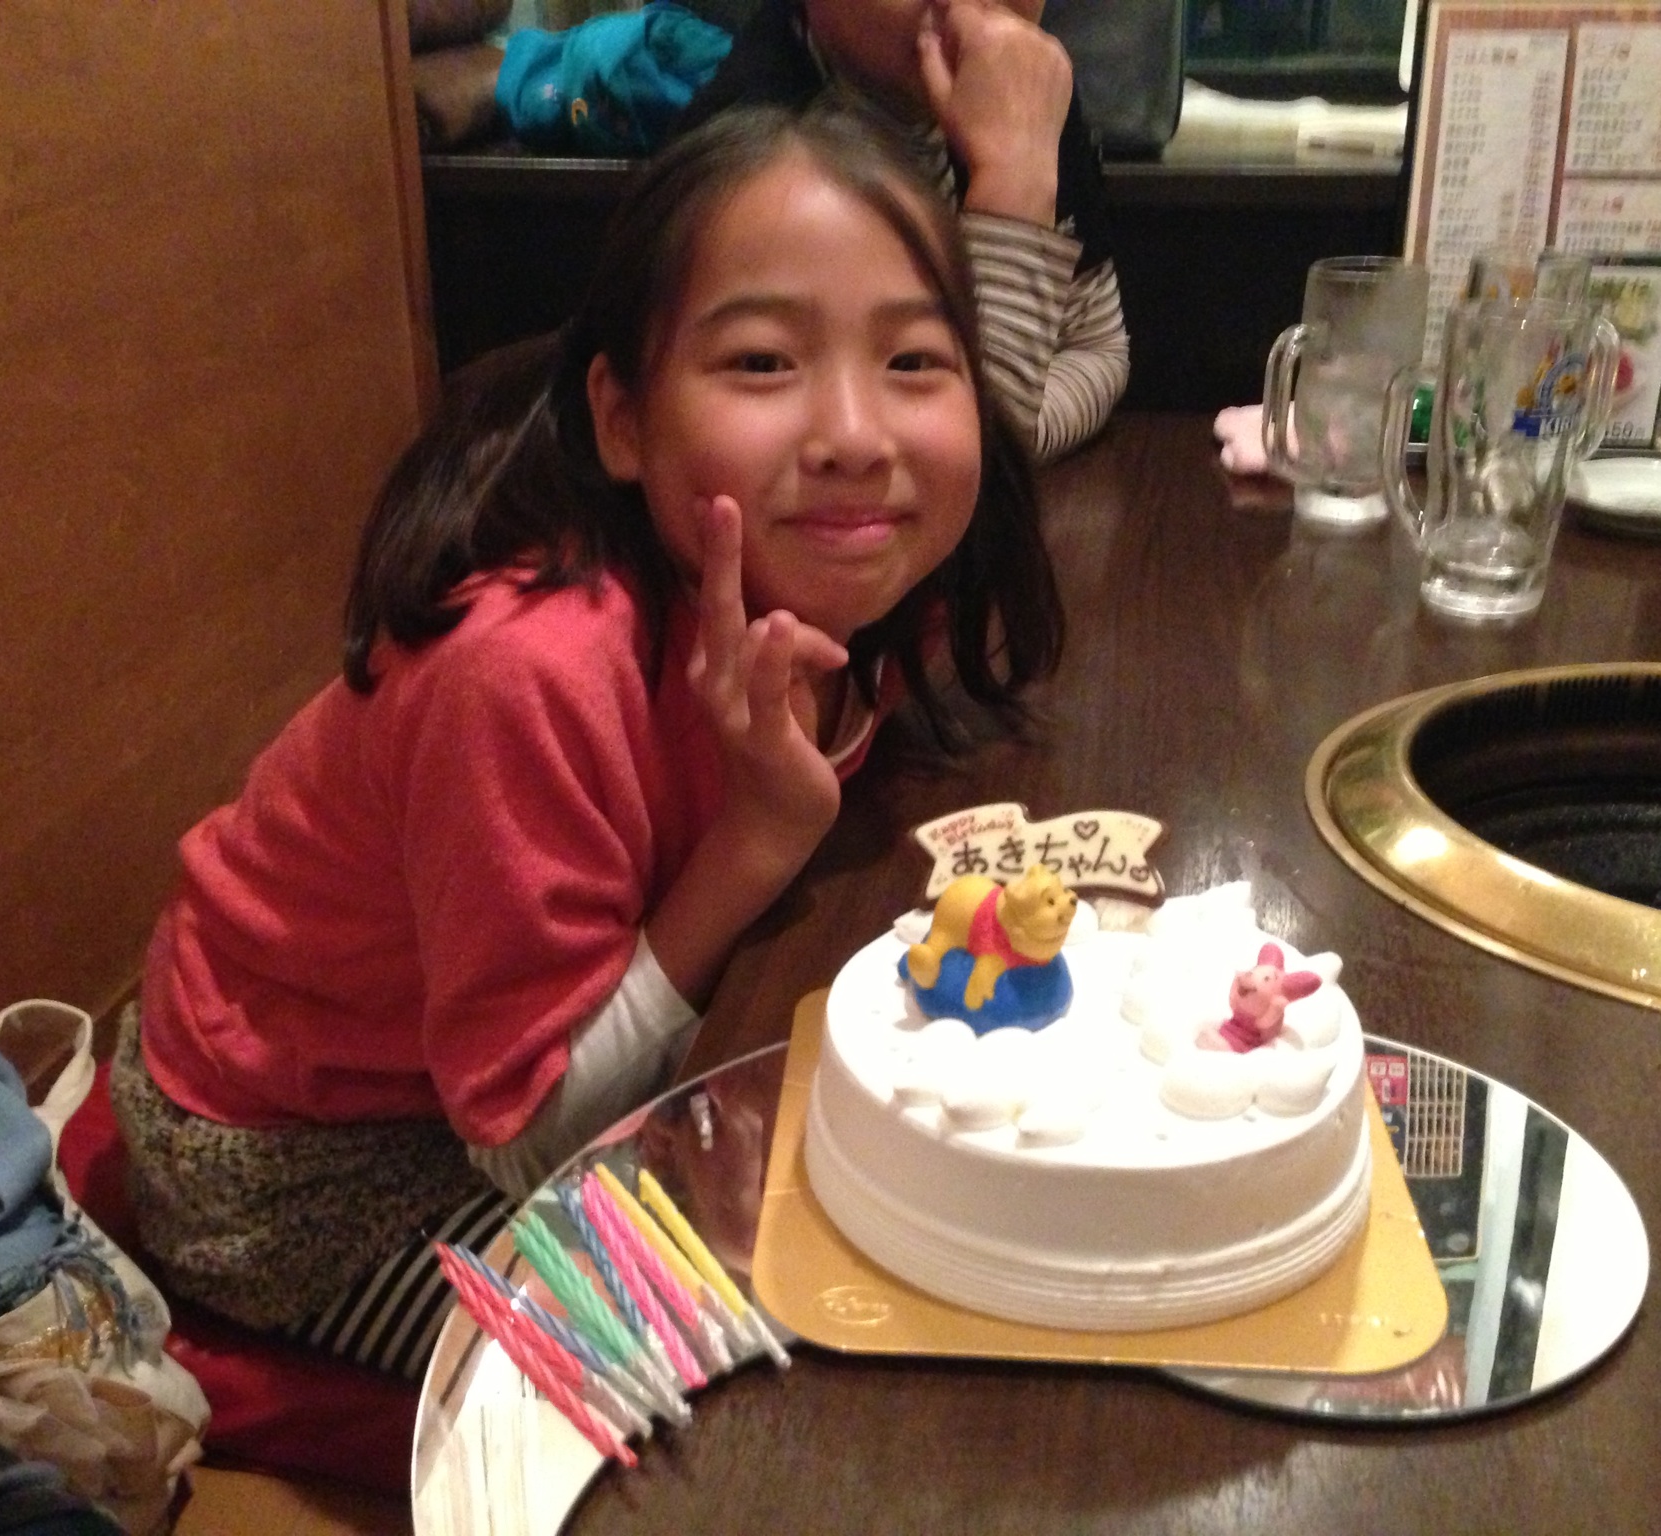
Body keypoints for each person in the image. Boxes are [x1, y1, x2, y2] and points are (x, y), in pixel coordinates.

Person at [111, 100, 1064, 1380]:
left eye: (911, 361)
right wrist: (760, 837)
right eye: (762, 363)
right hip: (300, 1155)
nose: (855, 434)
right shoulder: (524, 673)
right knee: (748, 1367)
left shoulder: (868, 574)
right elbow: (524, 1140)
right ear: (621, 418)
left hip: (508, 1066)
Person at [675, 0, 1130, 462]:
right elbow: (956, 471)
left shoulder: (1020, 84)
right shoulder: (742, 157)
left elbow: (1096, 348)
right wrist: (1013, 182)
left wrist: (1003, 440)